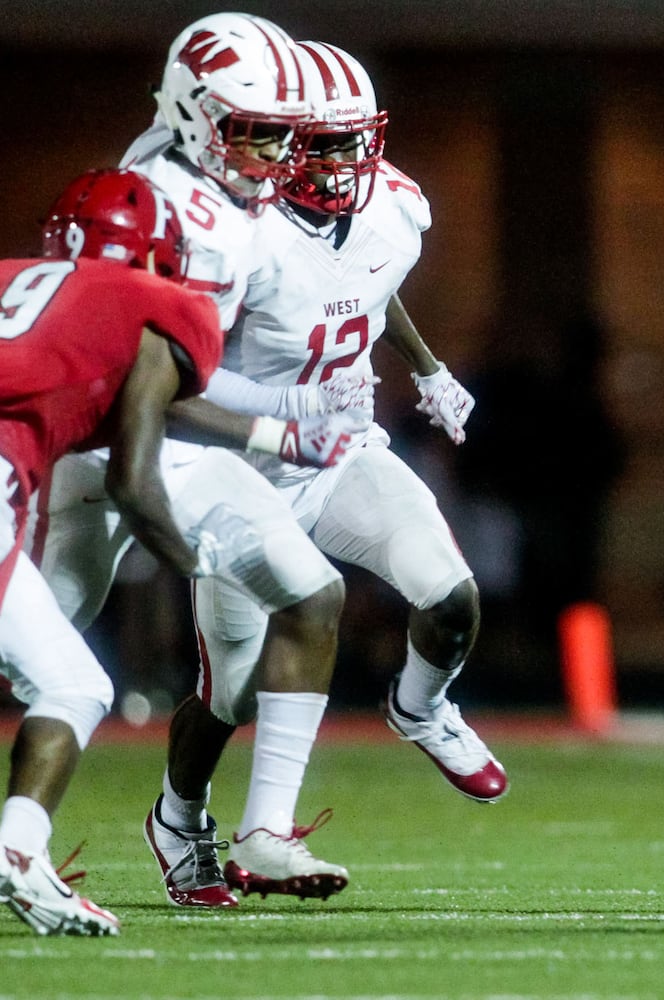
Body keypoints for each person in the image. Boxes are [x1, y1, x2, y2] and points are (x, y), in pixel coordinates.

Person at [40, 15, 359, 909]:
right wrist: (282, 425)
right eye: (253, 130)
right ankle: (19, 845)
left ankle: (259, 830)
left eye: (281, 134)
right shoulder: (163, 207)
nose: (269, 154)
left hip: (179, 439)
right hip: (101, 437)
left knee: (312, 593)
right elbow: (151, 384)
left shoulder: (198, 171)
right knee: (43, 655)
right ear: (194, 113)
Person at [180, 38, 507, 878]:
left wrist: (426, 367)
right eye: (318, 143)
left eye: (351, 139)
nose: (339, 161)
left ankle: (419, 709)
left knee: (451, 597)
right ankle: (181, 815)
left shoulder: (393, 204)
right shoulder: (233, 231)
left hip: (344, 453)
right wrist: (269, 426)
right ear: (276, 140)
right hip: (243, 470)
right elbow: (183, 373)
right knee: (228, 692)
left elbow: (367, 279)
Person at [0, 170, 234, 936]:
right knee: (72, 684)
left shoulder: (12, 280)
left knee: (67, 679)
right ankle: (16, 852)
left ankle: (18, 854)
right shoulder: (158, 305)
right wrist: (200, 564)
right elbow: (135, 479)